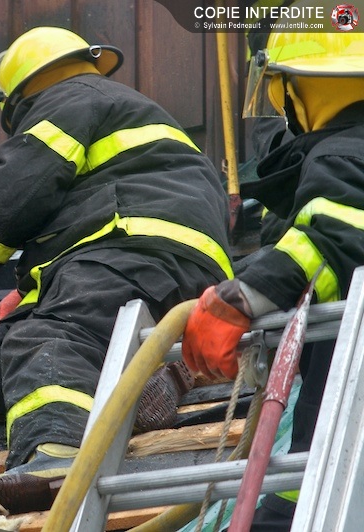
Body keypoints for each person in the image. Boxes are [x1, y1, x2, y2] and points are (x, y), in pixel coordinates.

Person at [0, 26, 233, 512]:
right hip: (171, 269)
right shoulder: (125, 111)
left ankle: (55, 454)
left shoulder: (72, 97)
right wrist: (31, 293)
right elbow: (76, 210)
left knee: (50, 338)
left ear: (20, 95)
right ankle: (139, 386)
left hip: (129, 249)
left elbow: (17, 189)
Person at [182, 26, 364, 531]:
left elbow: (339, 236)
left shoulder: (345, 153)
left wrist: (242, 297)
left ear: (300, 88)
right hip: (327, 435)